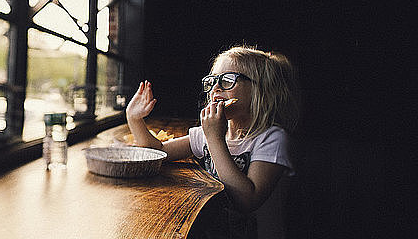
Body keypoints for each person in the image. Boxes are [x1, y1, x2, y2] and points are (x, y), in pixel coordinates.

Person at [126, 45, 300, 239]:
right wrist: (135, 119)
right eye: (212, 81)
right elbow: (157, 151)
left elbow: (247, 200)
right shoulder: (210, 133)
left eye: (227, 80)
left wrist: (215, 138)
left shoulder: (271, 138)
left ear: (261, 89)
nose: (215, 88)